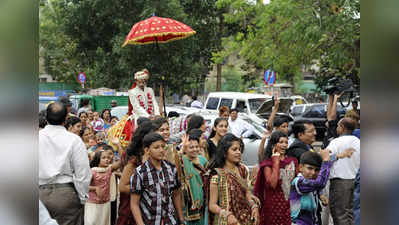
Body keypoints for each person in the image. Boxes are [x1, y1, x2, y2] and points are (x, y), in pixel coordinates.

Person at [39, 102, 91, 225]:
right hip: (66, 196)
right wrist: (82, 198)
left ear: (46, 117)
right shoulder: (74, 140)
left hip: (39, 194)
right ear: (66, 119)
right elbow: (82, 173)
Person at [130, 133, 185, 225]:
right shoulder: (140, 173)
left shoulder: (171, 169)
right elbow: (134, 203)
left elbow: (176, 194)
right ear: (147, 150)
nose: (161, 150)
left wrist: (181, 219)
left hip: (170, 221)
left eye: (163, 147)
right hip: (150, 221)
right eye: (156, 148)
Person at [289, 149, 354, 225]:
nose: (313, 173)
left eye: (317, 170)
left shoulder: (310, 181)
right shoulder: (298, 182)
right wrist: (326, 161)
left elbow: (316, 184)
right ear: (300, 167)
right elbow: (319, 183)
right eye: (309, 168)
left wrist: (338, 156)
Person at [208, 134, 260, 225]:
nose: (238, 152)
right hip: (228, 221)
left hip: (246, 219)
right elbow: (212, 205)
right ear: (224, 153)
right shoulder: (217, 175)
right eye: (234, 149)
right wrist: (226, 215)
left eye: (239, 149)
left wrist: (253, 206)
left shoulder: (242, 170)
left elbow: (246, 192)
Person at [253, 131, 298, 225]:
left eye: (286, 142)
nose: (284, 145)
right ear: (273, 144)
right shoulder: (268, 163)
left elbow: (297, 183)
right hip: (273, 207)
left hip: (290, 206)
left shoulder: (292, 161)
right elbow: (272, 184)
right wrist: (276, 161)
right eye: (281, 142)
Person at [116, 121, 155, 225]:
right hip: (132, 209)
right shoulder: (134, 160)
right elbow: (123, 187)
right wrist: (145, 186)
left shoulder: (153, 156)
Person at [326, 118, 360, 225]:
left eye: (337, 126)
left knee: (339, 214)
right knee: (350, 213)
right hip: (354, 179)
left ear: (342, 127)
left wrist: (336, 156)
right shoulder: (358, 142)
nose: (336, 128)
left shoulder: (336, 142)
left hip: (340, 182)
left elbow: (326, 157)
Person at [85, 146, 121, 225]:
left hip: (105, 204)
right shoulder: (93, 171)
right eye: (104, 158)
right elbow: (83, 186)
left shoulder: (108, 170)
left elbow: (122, 161)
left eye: (108, 158)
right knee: (92, 222)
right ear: (98, 159)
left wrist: (118, 145)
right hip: (93, 204)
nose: (107, 159)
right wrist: (95, 188)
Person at [179, 132, 208, 225]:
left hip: (203, 200)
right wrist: (182, 148)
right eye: (191, 147)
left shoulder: (202, 159)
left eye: (197, 146)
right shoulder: (182, 160)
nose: (195, 149)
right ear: (185, 148)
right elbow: (172, 162)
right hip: (189, 203)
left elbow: (208, 176)